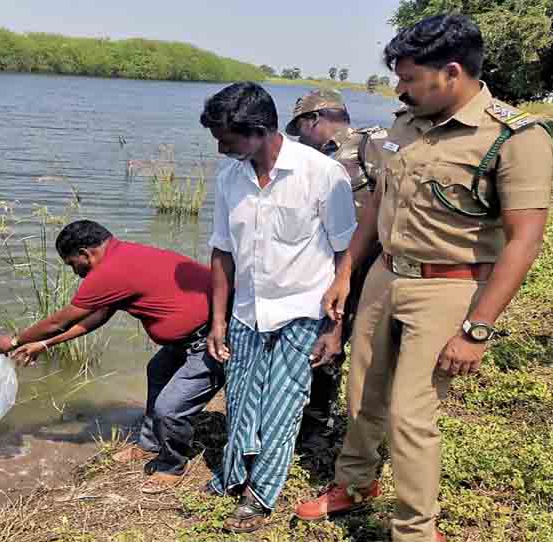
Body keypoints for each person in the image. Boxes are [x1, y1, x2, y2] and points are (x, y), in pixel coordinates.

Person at [294, 14, 553, 542]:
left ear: (451, 73)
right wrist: (347, 273)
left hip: (450, 285)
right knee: (362, 391)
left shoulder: (513, 137)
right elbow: (378, 205)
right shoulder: (406, 123)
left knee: (411, 415)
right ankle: (356, 482)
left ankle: (415, 529)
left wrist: (477, 328)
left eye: (410, 79)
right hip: (385, 278)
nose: (399, 88)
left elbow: (524, 242)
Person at [200, 82, 357, 533]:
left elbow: (345, 253)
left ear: (260, 131)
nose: (220, 148)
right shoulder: (230, 178)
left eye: (226, 139)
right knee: (242, 398)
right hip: (248, 310)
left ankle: (259, 495)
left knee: (283, 405)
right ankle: (233, 475)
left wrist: (334, 328)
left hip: (304, 309)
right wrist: (218, 320)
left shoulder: (322, 174)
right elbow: (222, 251)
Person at [0, 220, 224, 494]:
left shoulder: (108, 272)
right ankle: (149, 445)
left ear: (85, 253)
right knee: (157, 371)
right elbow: (98, 316)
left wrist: (17, 340)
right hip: (188, 338)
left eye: (72, 264)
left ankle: (172, 466)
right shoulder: (124, 255)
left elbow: (60, 321)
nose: (75, 272)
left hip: (213, 339)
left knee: (169, 409)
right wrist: (44, 345)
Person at [286, 89, 386, 456]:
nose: (299, 138)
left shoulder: (368, 143)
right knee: (325, 342)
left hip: (370, 267)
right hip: (328, 267)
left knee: (365, 347)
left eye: (300, 127)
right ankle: (314, 421)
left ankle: (355, 429)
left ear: (314, 119)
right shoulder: (312, 158)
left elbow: (389, 200)